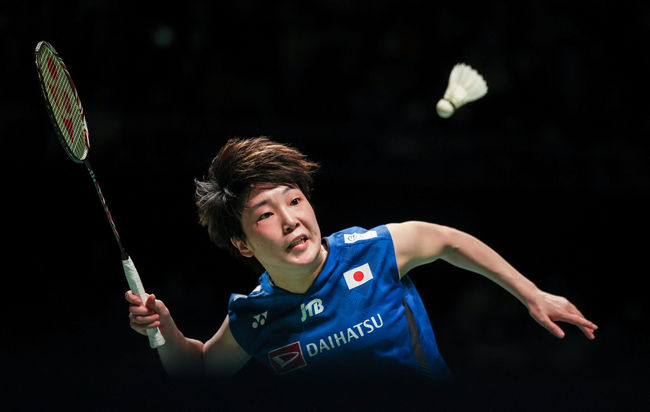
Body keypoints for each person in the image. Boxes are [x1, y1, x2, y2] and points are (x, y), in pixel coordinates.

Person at [126, 136, 597, 394]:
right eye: (265, 215)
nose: (290, 220)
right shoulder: (255, 316)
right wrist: (165, 330)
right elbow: (200, 371)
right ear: (242, 244)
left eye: (294, 200)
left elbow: (448, 240)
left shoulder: (374, 250)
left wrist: (531, 294)